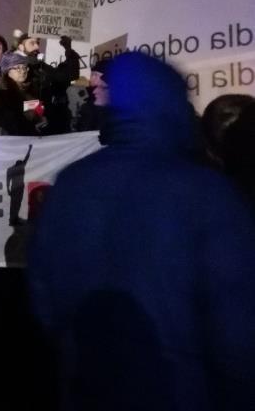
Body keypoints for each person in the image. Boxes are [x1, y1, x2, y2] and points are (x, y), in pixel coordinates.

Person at [28, 52, 255, 411]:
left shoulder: (73, 183)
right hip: (181, 392)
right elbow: (238, 325)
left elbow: (46, 296)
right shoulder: (207, 194)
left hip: (88, 385)